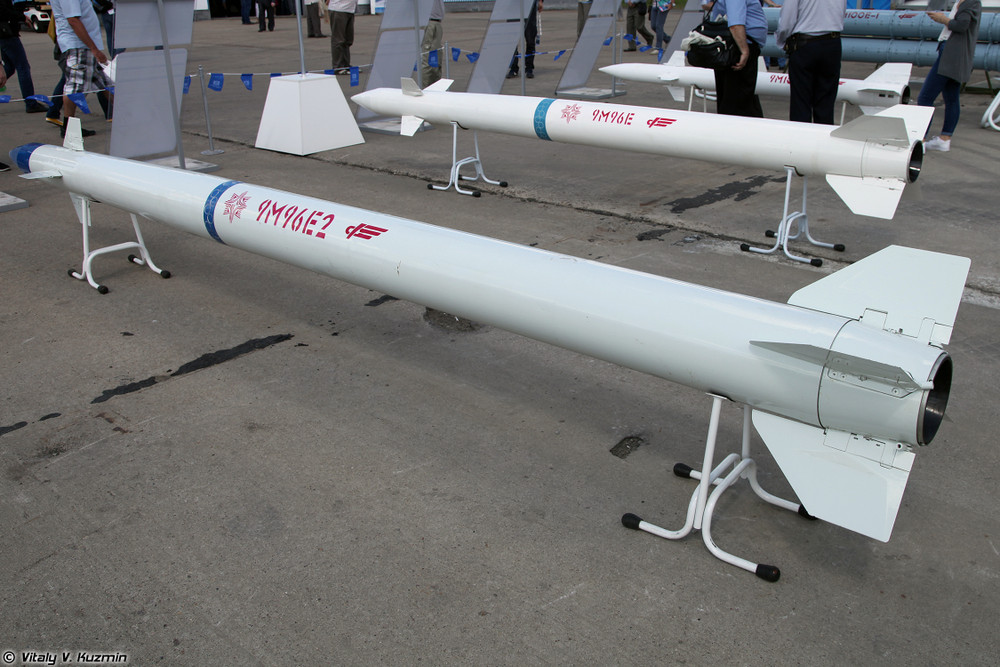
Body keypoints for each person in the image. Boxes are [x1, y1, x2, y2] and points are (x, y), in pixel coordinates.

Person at [917, 0, 982, 152]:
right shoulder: (967, 2)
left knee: (925, 98)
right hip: (955, 55)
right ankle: (944, 139)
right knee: (951, 97)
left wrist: (943, 19)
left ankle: (921, 140)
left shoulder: (970, 2)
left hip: (951, 54)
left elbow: (962, 25)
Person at [775, 0, 844, 124]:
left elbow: (787, 21)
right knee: (826, 104)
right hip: (832, 42)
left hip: (804, 45)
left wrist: (782, 41)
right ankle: (823, 134)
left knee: (801, 104)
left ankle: (802, 135)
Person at [50, 0, 113, 136]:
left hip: (82, 46)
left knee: (105, 84)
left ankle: (127, 115)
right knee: (75, 88)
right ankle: (68, 128)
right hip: (79, 46)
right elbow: (73, 20)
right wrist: (94, 49)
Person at [709, 0, 766, 117]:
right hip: (738, 47)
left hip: (735, 45)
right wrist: (744, 50)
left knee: (739, 98)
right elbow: (735, 24)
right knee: (738, 101)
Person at [1, 0, 49, 113]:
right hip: (7, 33)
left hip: (7, 33)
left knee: (9, 67)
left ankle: (31, 102)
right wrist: (21, 17)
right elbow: (3, 11)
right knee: (23, 67)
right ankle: (31, 103)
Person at [507, 0, 540, 79]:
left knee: (530, 39)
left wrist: (540, 1)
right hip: (513, 7)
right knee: (512, 40)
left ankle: (529, 68)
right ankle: (513, 68)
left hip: (529, 6)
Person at [328, 0, 356, 74]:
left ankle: (346, 65)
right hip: (339, 9)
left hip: (350, 9)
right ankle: (338, 67)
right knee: (338, 39)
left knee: (348, 40)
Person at [420, 0, 443, 86]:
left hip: (435, 22)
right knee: (428, 59)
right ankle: (425, 88)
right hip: (429, 22)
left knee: (436, 60)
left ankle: (435, 86)